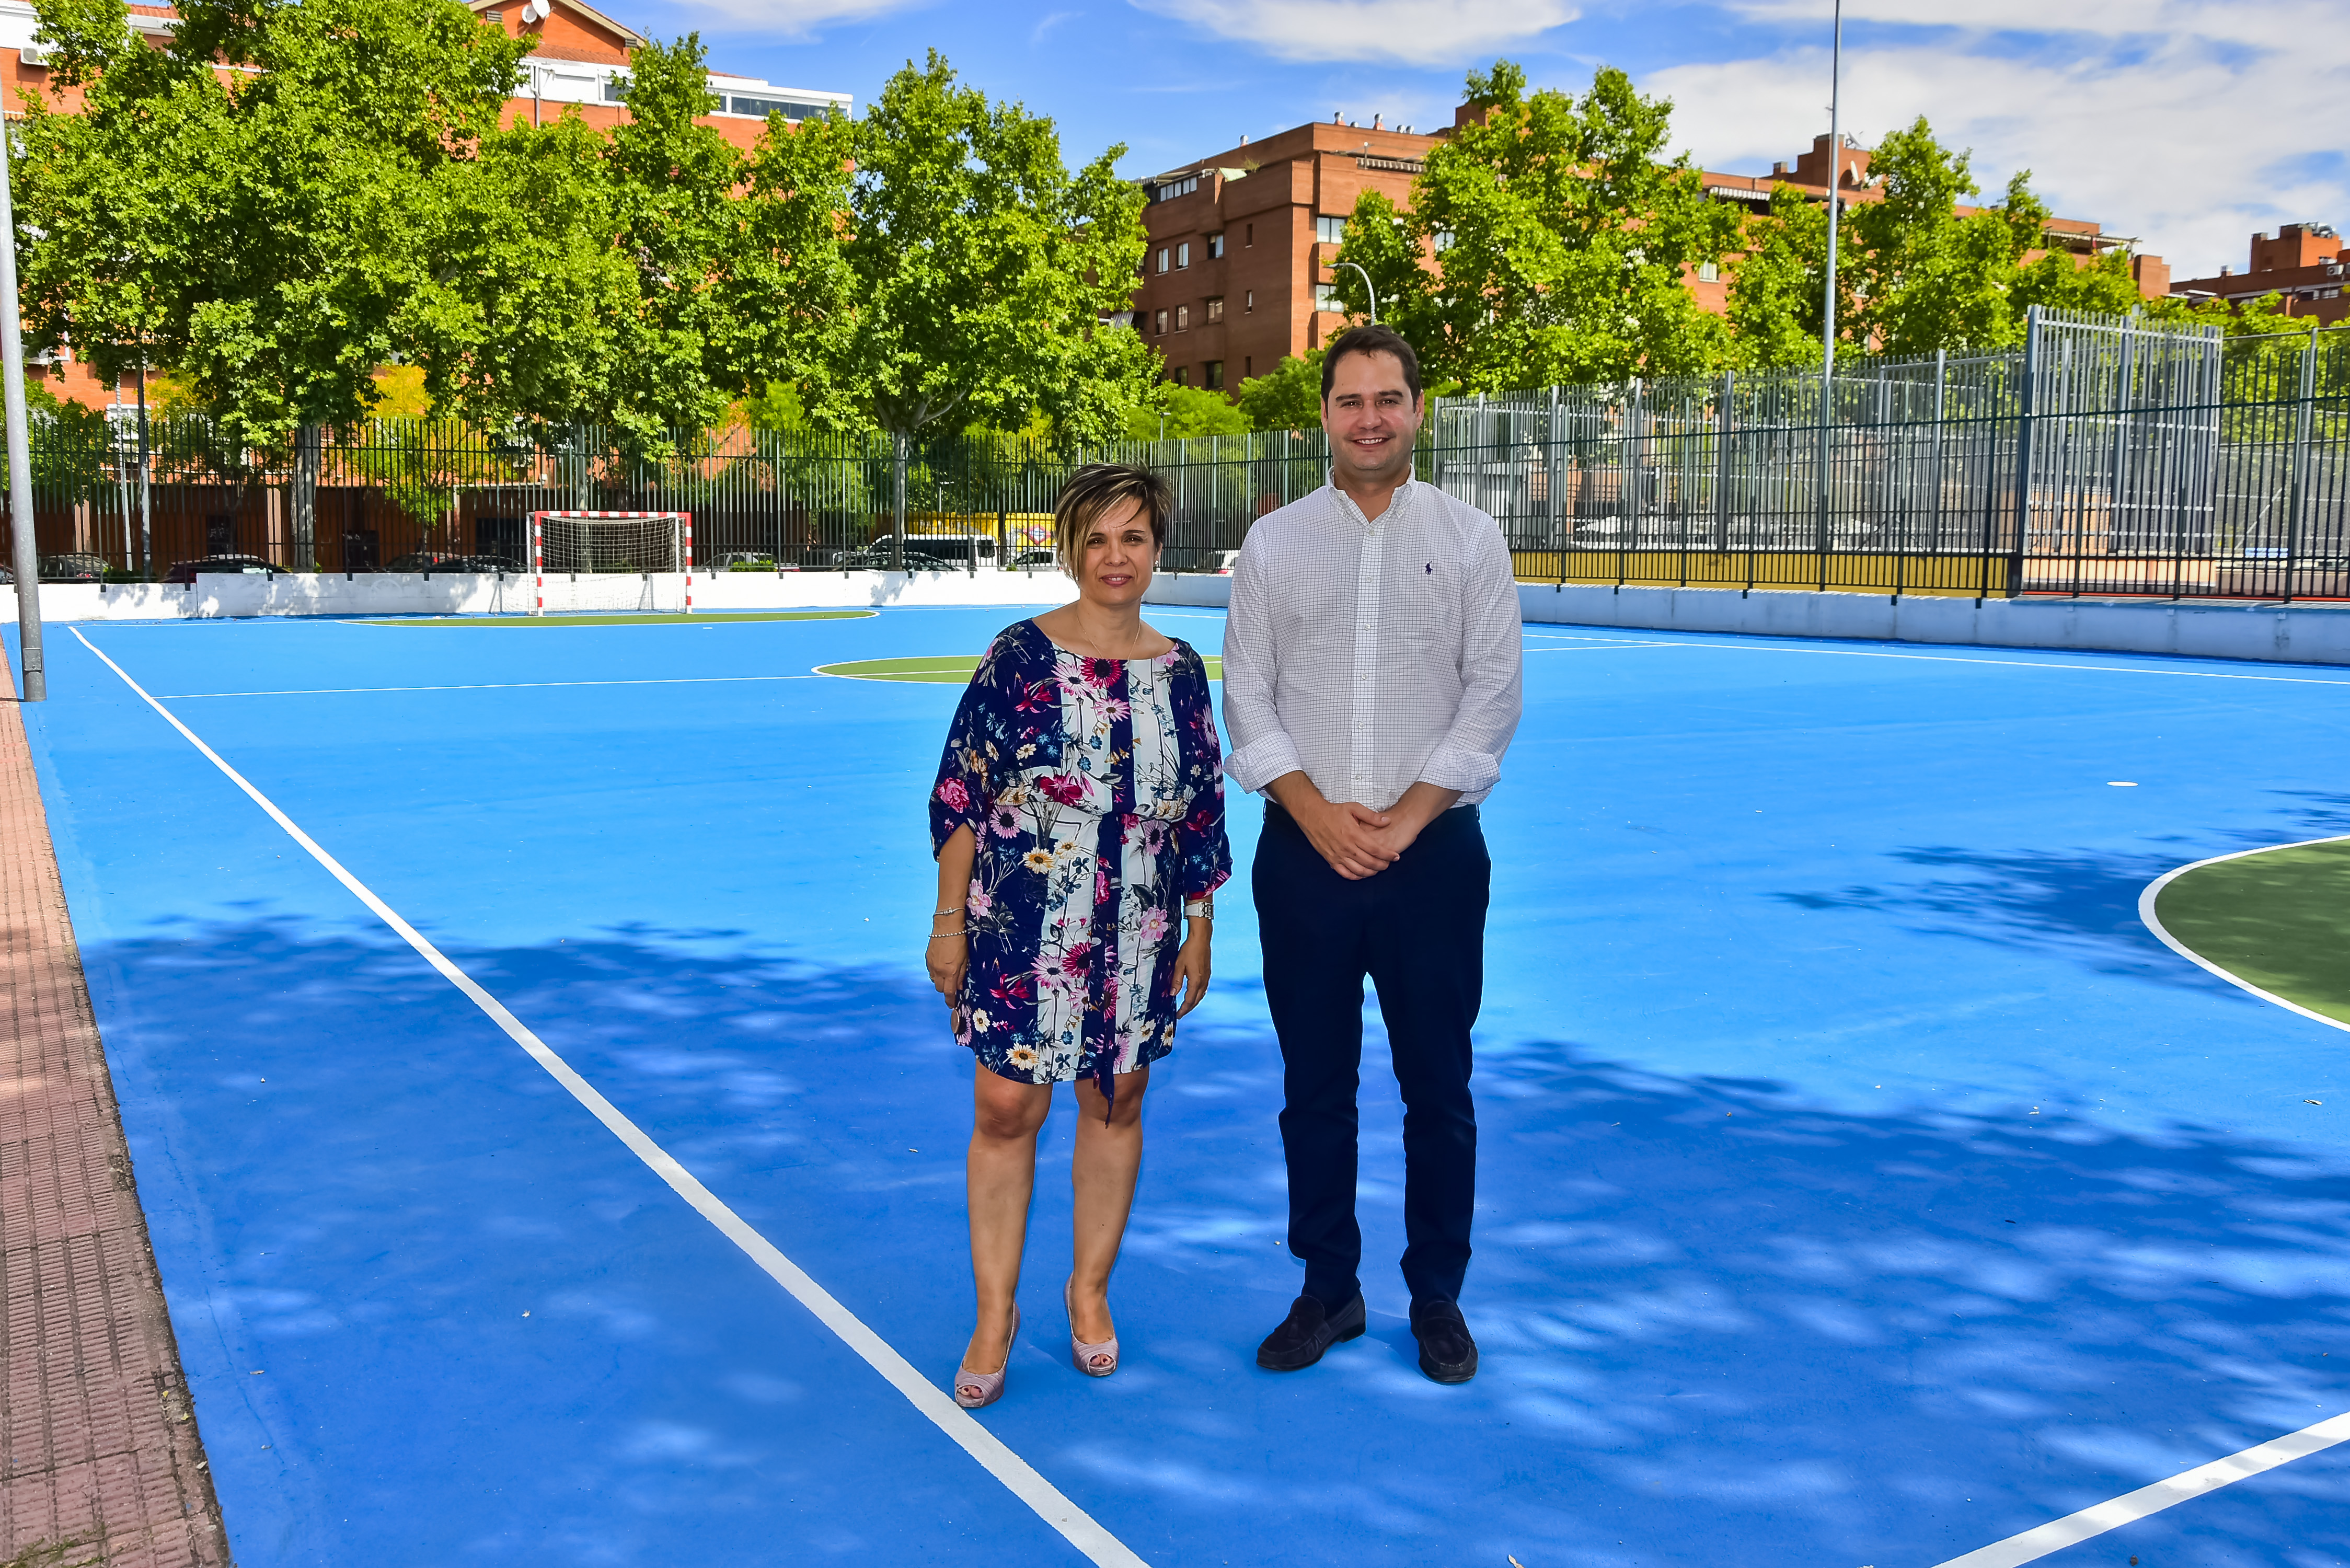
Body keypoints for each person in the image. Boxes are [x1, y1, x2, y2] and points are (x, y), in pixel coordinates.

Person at [1222, 325, 1524, 1385]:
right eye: (1349, 401)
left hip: (1433, 856)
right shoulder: (1274, 544)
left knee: (1438, 1086)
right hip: (1303, 854)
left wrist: (1406, 818)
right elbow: (1247, 692)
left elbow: (1493, 693)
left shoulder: (1472, 539)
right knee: (1315, 1085)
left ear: (1417, 410)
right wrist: (1312, 811)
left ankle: (1436, 1294)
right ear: (1324, 417)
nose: (1369, 419)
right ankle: (1328, 1288)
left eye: (1388, 399)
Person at [926, 463, 1232, 1409]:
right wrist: (948, 925)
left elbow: (1201, 811)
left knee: (1114, 1100)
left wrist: (1200, 925)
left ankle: (1088, 1291)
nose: (1115, 556)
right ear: (1070, 550)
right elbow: (961, 794)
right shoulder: (1017, 657)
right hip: (1020, 924)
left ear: (1157, 550)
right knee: (1006, 1110)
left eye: (1133, 537)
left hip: (1139, 926)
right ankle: (995, 1312)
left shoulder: (1181, 671)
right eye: (1096, 538)